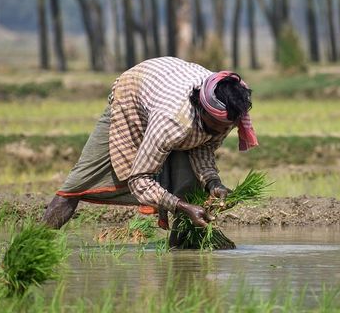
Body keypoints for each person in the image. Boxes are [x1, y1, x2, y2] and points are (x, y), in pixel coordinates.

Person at [42, 56, 257, 232]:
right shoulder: (173, 121)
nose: (220, 133)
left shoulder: (225, 113)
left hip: (164, 86)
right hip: (132, 97)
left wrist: (213, 183)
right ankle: (37, 241)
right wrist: (181, 207)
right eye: (215, 127)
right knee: (78, 182)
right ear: (201, 110)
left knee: (191, 186)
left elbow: (204, 146)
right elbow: (140, 179)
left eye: (225, 128)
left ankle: (184, 253)